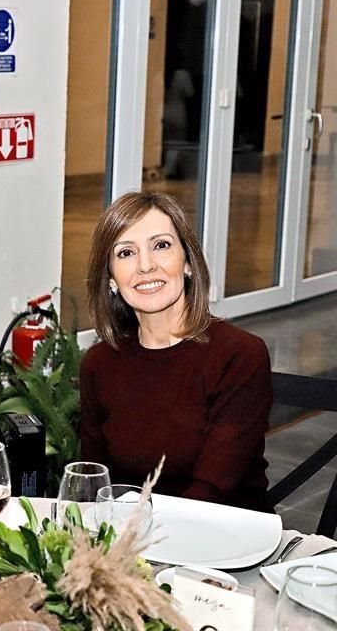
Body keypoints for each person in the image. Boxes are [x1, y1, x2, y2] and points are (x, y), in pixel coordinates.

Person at [80, 191, 271, 511]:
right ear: (112, 279)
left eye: (161, 245)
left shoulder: (240, 355)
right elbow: (96, 483)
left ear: (188, 263)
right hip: (133, 541)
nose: (145, 266)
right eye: (126, 253)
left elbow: (213, 490)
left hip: (227, 541)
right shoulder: (99, 364)